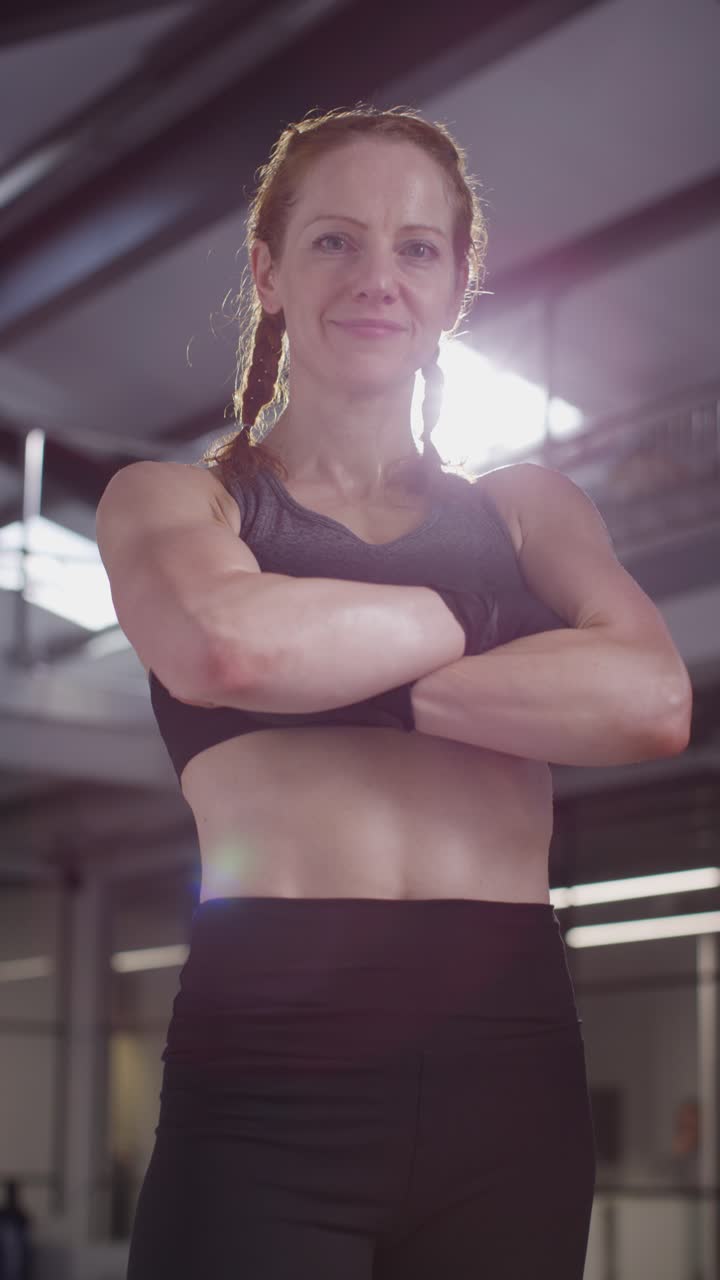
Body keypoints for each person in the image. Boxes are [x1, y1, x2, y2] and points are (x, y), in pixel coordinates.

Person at [96, 105, 692, 1279]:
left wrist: (350, 671)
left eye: (417, 247)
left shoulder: (528, 506)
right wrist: (489, 623)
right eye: (335, 240)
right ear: (268, 271)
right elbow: (227, 650)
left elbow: (652, 700)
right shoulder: (179, 500)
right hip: (268, 1077)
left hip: (510, 1078)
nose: (378, 277)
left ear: (458, 284)